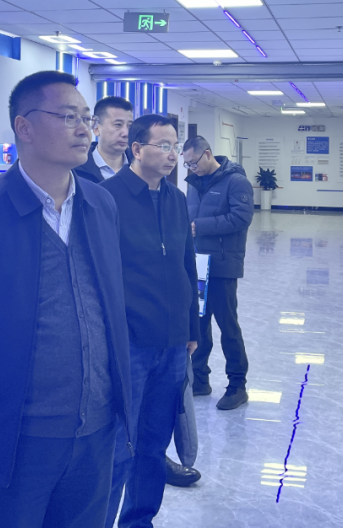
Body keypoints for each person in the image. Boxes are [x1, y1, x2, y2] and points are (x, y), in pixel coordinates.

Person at [0, 71, 133, 528]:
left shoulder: (100, 205)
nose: (84, 129)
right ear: (25, 127)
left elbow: (108, 304)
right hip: (15, 436)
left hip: (95, 432)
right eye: (68, 117)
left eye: (86, 118)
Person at [101, 114, 200, 528]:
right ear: (137, 149)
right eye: (163, 145)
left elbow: (186, 265)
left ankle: (139, 520)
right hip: (130, 342)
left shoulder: (176, 198)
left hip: (173, 342)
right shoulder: (106, 198)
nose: (172, 154)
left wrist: (193, 328)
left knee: (154, 442)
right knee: (117, 444)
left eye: (175, 146)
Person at [181, 136, 254, 411]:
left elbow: (241, 218)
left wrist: (200, 226)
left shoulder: (236, 181)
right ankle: (200, 380)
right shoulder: (193, 184)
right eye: (187, 164)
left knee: (228, 327)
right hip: (198, 265)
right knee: (198, 326)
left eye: (194, 162)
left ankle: (237, 386)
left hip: (223, 266)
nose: (191, 168)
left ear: (208, 154)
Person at [73, 96, 133, 183]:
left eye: (129, 126)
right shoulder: (76, 168)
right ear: (96, 128)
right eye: (118, 125)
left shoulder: (141, 166)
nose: (125, 133)